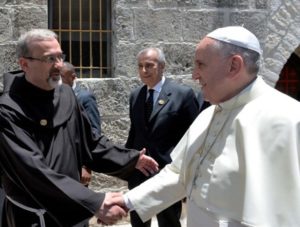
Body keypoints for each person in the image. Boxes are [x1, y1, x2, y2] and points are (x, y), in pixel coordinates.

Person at [114, 26, 300, 227]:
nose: (194, 75)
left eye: (201, 65)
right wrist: (127, 201)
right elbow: (179, 174)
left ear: (233, 65)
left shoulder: (290, 119)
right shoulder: (207, 116)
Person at [0, 28, 159, 227]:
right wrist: (94, 201)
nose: (59, 65)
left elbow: (90, 143)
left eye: (60, 56)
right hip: (34, 217)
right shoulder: (7, 109)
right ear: (25, 64)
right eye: (50, 59)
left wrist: (131, 158)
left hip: (73, 213)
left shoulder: (66, 95)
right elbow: (33, 170)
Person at [125, 47, 200, 227]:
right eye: (140, 66)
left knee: (169, 222)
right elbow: (134, 133)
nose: (144, 71)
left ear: (162, 66)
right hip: (140, 173)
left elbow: (193, 135)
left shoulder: (182, 94)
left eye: (149, 65)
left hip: (167, 172)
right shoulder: (136, 96)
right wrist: (128, 163)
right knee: (138, 222)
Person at [61, 61, 101, 187]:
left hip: (78, 165)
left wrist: (86, 166)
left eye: (61, 76)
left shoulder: (84, 97)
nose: (58, 80)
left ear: (72, 77)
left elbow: (94, 132)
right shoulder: (56, 95)